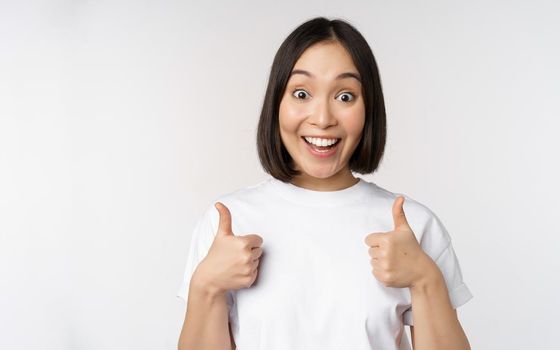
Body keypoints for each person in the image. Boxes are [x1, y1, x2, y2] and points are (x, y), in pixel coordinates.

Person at [176, 17, 473, 350]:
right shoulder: (227, 224)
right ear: (277, 104)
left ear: (368, 109)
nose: (322, 118)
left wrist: (425, 279)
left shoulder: (413, 226)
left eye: (345, 96)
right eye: (301, 93)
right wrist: (206, 286)